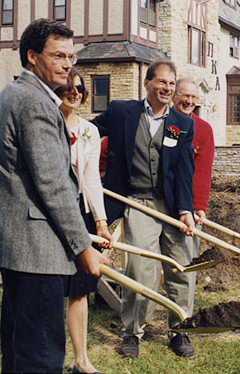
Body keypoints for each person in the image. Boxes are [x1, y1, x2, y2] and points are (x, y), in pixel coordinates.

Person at [0, 19, 108, 373]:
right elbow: (54, 185)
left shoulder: (7, 95)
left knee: (17, 351)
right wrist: (83, 247)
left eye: (70, 57)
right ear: (32, 56)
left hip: (12, 245)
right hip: (37, 253)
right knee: (41, 358)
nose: (66, 65)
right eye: (57, 55)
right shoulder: (35, 103)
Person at [91, 58, 196, 359]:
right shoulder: (122, 112)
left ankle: (180, 330)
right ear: (147, 83)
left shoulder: (180, 124)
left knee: (181, 267)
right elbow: (87, 133)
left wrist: (186, 209)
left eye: (172, 84)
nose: (167, 88)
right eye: (162, 82)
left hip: (172, 206)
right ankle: (132, 333)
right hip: (136, 202)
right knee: (139, 270)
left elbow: (184, 171)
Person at [55, 67, 113, 374]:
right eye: (68, 86)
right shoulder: (46, 124)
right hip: (48, 213)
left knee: (79, 288)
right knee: (50, 288)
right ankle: (47, 359)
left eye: (80, 88)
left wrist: (101, 223)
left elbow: (91, 178)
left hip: (79, 210)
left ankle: (81, 360)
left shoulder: (90, 131)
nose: (75, 92)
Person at [172, 78, 215, 227]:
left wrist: (198, 205)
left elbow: (203, 172)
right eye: (185, 96)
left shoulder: (204, 129)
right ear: (173, 96)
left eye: (193, 97)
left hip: (188, 203)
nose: (189, 101)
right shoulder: (162, 121)